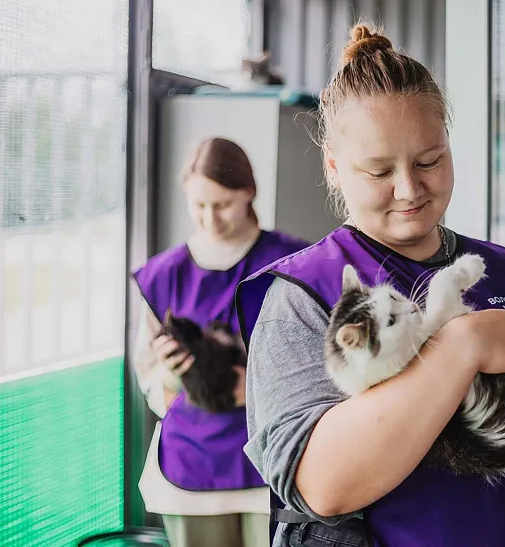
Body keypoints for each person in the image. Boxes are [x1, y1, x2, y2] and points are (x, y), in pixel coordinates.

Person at [238, 25, 505, 547]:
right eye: (378, 171)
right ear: (333, 166)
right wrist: (460, 348)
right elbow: (322, 486)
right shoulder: (304, 295)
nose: (409, 188)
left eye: (430, 161)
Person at [132, 137, 310, 547]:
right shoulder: (163, 275)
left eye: (223, 204)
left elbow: (324, 364)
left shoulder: (293, 263)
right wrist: (172, 373)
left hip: (272, 464)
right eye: (199, 205)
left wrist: (257, 386)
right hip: (189, 468)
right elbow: (149, 376)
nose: (210, 218)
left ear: (249, 192)